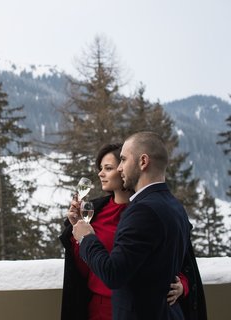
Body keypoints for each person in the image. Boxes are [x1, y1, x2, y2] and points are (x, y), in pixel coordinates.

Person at [72, 132, 206, 319]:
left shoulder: (142, 211)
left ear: (143, 161)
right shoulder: (174, 206)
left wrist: (87, 237)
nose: (119, 168)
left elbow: (113, 274)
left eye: (124, 160)